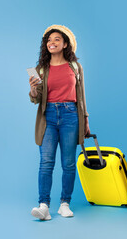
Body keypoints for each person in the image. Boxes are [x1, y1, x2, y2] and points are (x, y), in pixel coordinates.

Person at [29, 25, 90, 220]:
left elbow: (81, 96)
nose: (51, 43)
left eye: (56, 39)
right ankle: (44, 206)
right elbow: (36, 99)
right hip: (48, 116)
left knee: (69, 163)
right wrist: (32, 90)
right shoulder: (40, 69)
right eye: (48, 40)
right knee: (46, 162)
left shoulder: (75, 67)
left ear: (65, 44)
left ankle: (65, 203)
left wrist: (85, 120)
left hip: (71, 115)